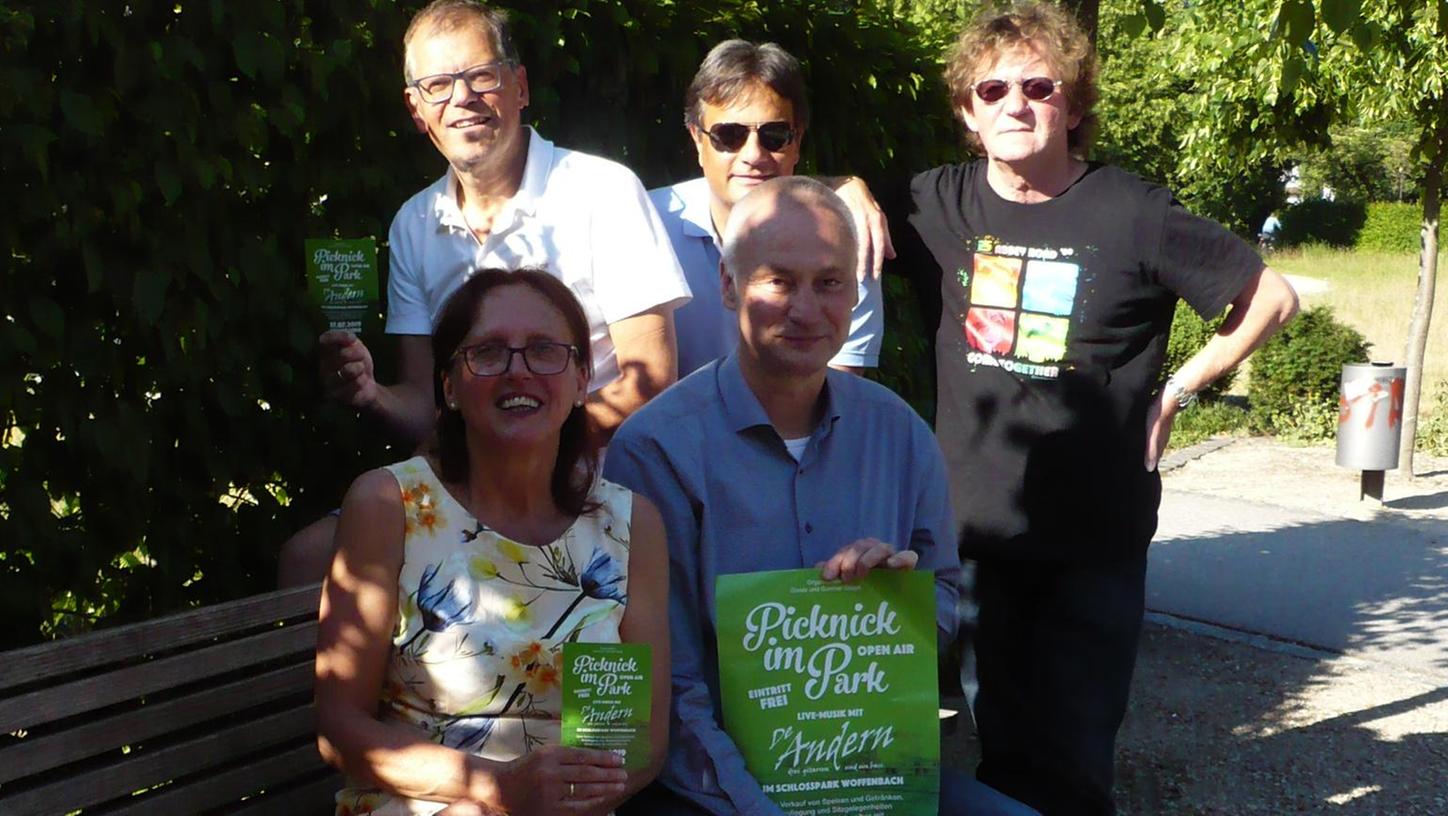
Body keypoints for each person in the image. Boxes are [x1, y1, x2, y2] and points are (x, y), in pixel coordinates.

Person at [892, 4, 1299, 813]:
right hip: (977, 537)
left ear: (1072, 107)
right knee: (998, 743)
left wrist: (1185, 386)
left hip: (1092, 542)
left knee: (1075, 763)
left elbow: (1272, 297)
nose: (1016, 103)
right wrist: (848, 196)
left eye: (1039, 86)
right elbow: (829, 218)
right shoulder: (932, 202)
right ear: (968, 115)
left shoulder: (1131, 212)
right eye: (994, 88)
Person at [605, 178, 1035, 815]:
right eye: (778, 280)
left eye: (830, 282)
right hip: (707, 781)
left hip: (866, 770)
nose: (805, 309)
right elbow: (668, 684)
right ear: (727, 286)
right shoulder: (655, 450)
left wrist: (896, 597)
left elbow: (943, 599)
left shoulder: (900, 436)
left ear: (856, 292)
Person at [280, 0, 691, 587]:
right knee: (307, 561)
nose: (462, 98)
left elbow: (651, 378)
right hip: (460, 481)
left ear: (519, 87)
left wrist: (530, 451)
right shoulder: (414, 223)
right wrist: (371, 393)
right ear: (417, 109)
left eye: (481, 77)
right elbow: (426, 400)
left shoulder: (603, 191)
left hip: (585, 483)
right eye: (438, 84)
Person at [315, 269, 670, 816]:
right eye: (487, 352)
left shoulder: (629, 525)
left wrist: (573, 797)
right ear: (449, 386)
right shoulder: (389, 506)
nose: (517, 371)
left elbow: (638, 741)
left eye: (544, 351)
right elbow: (340, 730)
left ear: (581, 380)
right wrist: (497, 791)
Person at [649, 40, 885, 376]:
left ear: (797, 143)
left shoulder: (846, 241)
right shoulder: (648, 226)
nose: (753, 155)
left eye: (774, 135)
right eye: (729, 135)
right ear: (697, 140)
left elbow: (836, 392)